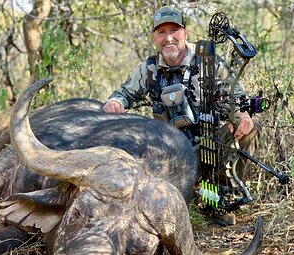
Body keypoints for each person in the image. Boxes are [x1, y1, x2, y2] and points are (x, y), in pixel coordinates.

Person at [103, 6, 261, 225]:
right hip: (170, 155)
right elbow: (124, 94)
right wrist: (115, 102)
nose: (169, 38)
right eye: (161, 32)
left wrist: (241, 115)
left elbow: (236, 97)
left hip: (209, 145)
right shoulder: (149, 67)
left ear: (185, 33)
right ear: (154, 37)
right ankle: (196, 194)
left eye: (174, 30)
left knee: (250, 127)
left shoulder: (208, 59)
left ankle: (221, 198)